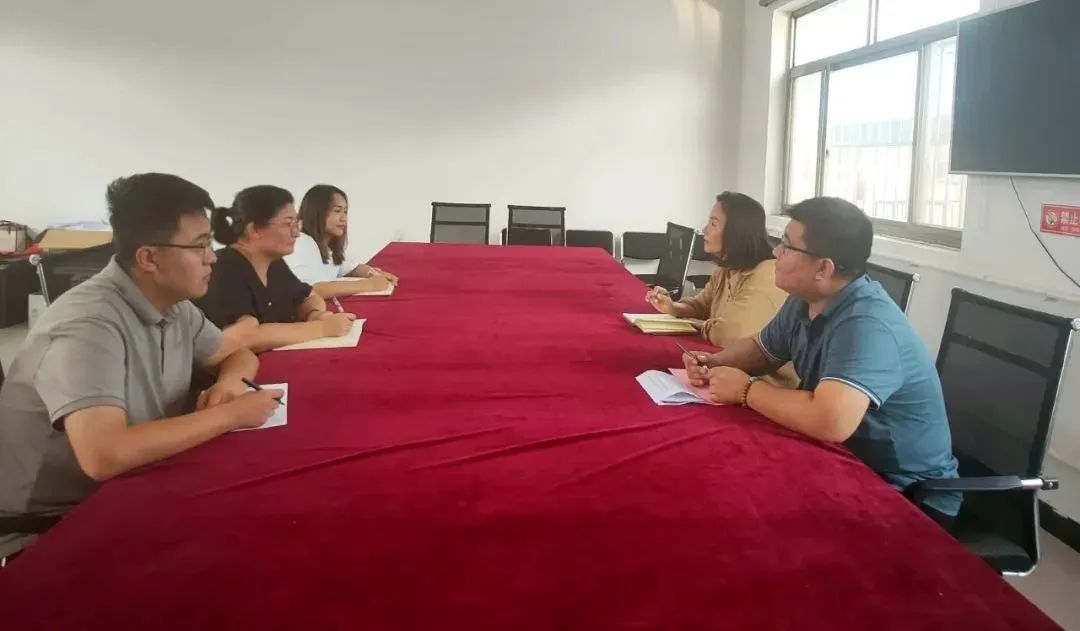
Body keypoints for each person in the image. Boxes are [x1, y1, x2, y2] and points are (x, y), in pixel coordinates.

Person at [0, 173, 282, 562]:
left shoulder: (175, 305)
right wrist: (231, 415)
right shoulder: (87, 324)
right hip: (51, 528)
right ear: (148, 258)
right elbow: (104, 454)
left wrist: (229, 384)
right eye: (199, 245)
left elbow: (237, 354)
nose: (212, 257)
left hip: (134, 487)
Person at [682, 197, 960, 528]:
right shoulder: (805, 299)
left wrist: (746, 390)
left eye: (787, 246)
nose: (776, 253)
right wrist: (713, 363)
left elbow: (830, 420)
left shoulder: (867, 323)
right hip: (839, 460)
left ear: (823, 269)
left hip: (905, 494)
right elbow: (763, 350)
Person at [646, 192, 796, 387]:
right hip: (731, 371)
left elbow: (730, 333)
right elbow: (701, 305)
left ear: (736, 232)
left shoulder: (767, 273)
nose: (704, 230)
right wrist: (673, 307)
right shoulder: (726, 269)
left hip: (765, 384)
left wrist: (696, 323)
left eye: (713, 224)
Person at [195, 185, 356, 352]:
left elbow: (308, 297)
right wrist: (322, 328)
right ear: (255, 229)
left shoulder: (273, 262)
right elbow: (245, 336)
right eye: (288, 224)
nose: (296, 233)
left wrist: (315, 314)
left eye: (296, 223)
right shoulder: (225, 269)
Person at [284, 184, 398, 297]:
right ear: (317, 212)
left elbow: (349, 268)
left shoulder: (328, 243)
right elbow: (308, 290)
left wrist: (373, 273)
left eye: (345, 212)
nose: (343, 218)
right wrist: (369, 285)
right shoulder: (300, 241)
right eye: (337, 211)